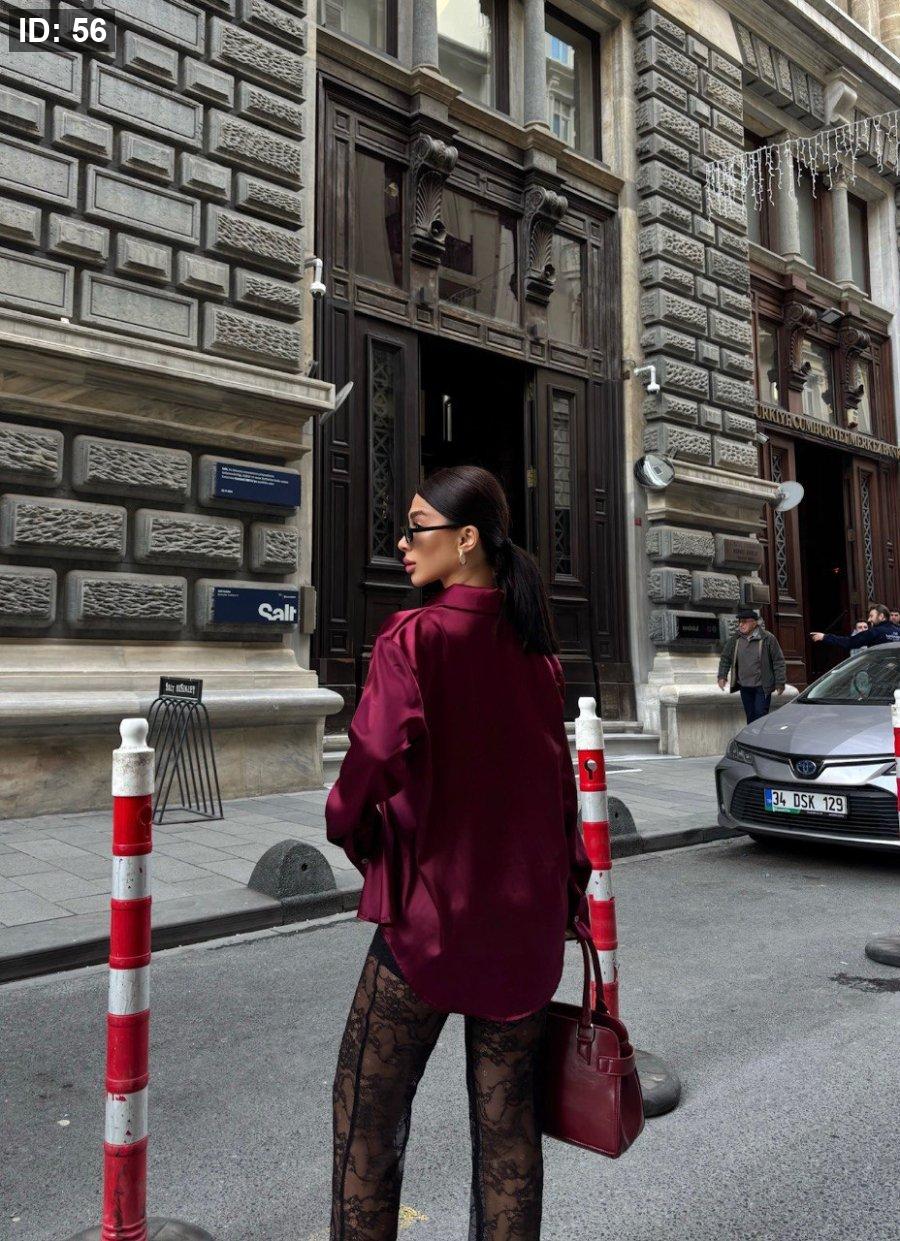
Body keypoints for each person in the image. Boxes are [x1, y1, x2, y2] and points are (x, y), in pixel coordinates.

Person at [324, 464, 591, 1241]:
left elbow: (368, 765)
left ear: (466, 538)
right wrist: (564, 898)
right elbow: (560, 793)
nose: (403, 543)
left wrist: (360, 838)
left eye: (417, 527)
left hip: (431, 920)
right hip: (524, 928)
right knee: (508, 1133)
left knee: (366, 1119)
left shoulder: (414, 637)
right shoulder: (539, 657)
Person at [717, 607, 787, 724]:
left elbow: (778, 661)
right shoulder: (735, 639)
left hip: (762, 686)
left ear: (754, 623)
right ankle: (752, 736)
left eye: (744, 622)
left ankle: (760, 736)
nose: (741, 625)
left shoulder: (767, 638)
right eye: (740, 622)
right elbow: (725, 657)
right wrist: (722, 676)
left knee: (760, 715)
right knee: (750, 716)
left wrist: (780, 682)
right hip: (744, 686)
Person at [811, 603, 900, 651]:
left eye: (871, 616)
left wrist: (825, 637)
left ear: (881, 616)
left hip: (881, 673)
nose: (869, 620)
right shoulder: (898, 631)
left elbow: (850, 642)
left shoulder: (874, 632)